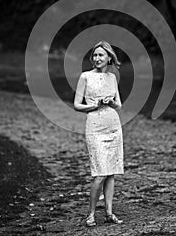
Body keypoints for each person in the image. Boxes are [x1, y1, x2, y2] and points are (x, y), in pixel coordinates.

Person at [74, 40, 124, 227]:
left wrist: (110, 102)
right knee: (100, 173)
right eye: (95, 55)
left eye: (101, 55)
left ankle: (109, 213)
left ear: (109, 57)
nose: (97, 58)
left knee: (111, 172)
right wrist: (93, 106)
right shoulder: (85, 76)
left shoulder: (112, 78)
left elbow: (118, 104)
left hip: (113, 125)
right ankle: (91, 213)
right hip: (94, 126)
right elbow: (77, 104)